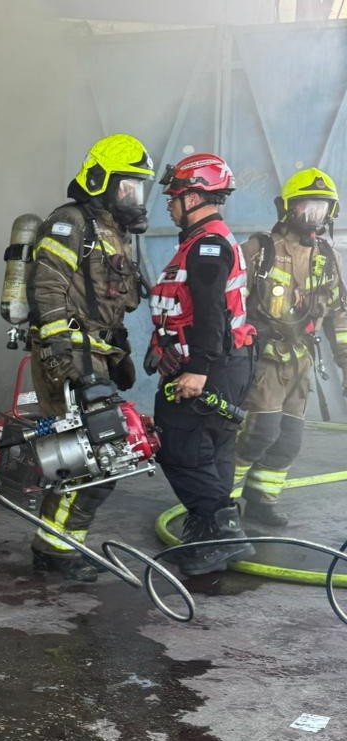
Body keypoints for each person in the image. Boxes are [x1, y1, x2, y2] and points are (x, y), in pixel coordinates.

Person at [26, 133, 154, 581]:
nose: (134, 197)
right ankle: (54, 553)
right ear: (101, 181)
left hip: (94, 356)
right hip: (68, 357)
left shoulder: (113, 233)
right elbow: (47, 292)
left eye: (138, 188)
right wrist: (72, 368)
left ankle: (62, 546)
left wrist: (119, 355)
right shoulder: (70, 223)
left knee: (100, 460)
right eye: (127, 187)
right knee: (90, 458)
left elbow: (109, 305)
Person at [145, 152, 256, 576]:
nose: (169, 205)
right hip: (227, 364)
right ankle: (210, 539)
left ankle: (224, 534)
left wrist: (199, 369)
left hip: (209, 367)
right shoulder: (209, 241)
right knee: (213, 450)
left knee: (179, 448)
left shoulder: (207, 247)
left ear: (193, 197)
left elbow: (212, 314)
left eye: (174, 197)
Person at [234, 169, 347, 526]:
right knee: (258, 434)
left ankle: (261, 501)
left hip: (300, 362)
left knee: (289, 440)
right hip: (263, 360)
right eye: (305, 207)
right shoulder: (260, 250)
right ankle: (221, 504)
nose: (313, 216)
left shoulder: (327, 257)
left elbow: (338, 316)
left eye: (321, 208)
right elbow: (227, 304)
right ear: (286, 208)